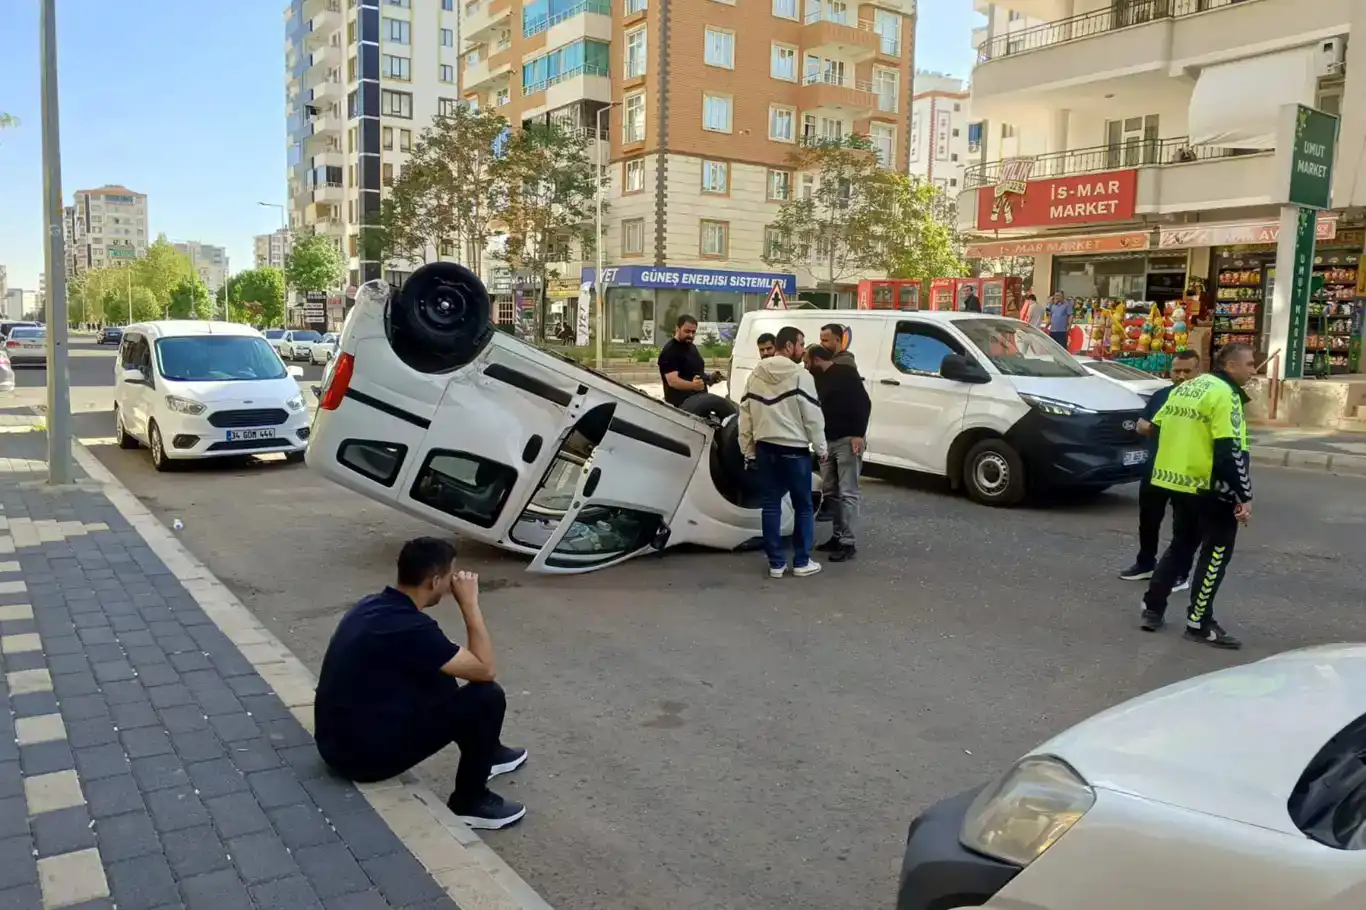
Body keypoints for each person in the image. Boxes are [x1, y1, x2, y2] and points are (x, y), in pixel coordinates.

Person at [315, 538, 529, 829]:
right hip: (362, 759)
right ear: (435, 580)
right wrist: (470, 605)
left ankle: (487, 752)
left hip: (335, 742)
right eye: (450, 576)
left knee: (440, 668)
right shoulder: (411, 629)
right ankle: (470, 801)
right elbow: (485, 670)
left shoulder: (372, 606)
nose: (453, 582)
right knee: (487, 696)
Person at [1139, 344, 1256, 649]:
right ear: (1230, 366)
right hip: (1210, 486)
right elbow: (1229, 451)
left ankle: (1152, 607)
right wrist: (1244, 494)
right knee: (1215, 553)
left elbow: (1156, 426)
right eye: (1250, 364)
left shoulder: (1187, 388)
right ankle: (1199, 622)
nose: (1253, 370)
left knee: (1180, 546)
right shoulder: (1224, 394)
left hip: (1177, 482)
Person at [739, 326, 827, 579]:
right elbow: (812, 417)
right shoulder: (801, 376)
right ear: (789, 346)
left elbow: (745, 416)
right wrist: (821, 449)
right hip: (794, 449)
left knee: (770, 505)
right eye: (801, 345)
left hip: (765, 448)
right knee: (803, 506)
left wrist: (748, 450)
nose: (802, 350)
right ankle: (801, 562)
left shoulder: (755, 374)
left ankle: (776, 563)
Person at [1119, 349, 1201, 587]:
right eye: (1177, 371)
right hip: (1155, 468)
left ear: (1198, 372)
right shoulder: (1161, 395)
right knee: (1149, 520)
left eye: (1188, 371)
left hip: (1186, 473)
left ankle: (1180, 572)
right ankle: (1145, 563)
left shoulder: (1204, 399)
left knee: (1183, 526)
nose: (1182, 376)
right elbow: (1142, 426)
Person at [806, 344, 870, 562]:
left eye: (807, 362)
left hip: (846, 440)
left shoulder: (846, 373)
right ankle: (836, 535)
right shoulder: (816, 379)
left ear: (816, 359)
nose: (805, 366)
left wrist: (858, 435)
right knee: (830, 490)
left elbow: (863, 403)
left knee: (847, 492)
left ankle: (848, 542)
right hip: (826, 440)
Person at [658, 314, 718, 407]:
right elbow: (673, 381)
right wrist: (694, 386)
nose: (690, 335)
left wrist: (709, 379)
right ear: (677, 329)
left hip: (699, 402)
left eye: (693, 332)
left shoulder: (691, 346)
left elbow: (693, 372)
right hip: (682, 407)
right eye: (687, 331)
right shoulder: (670, 351)